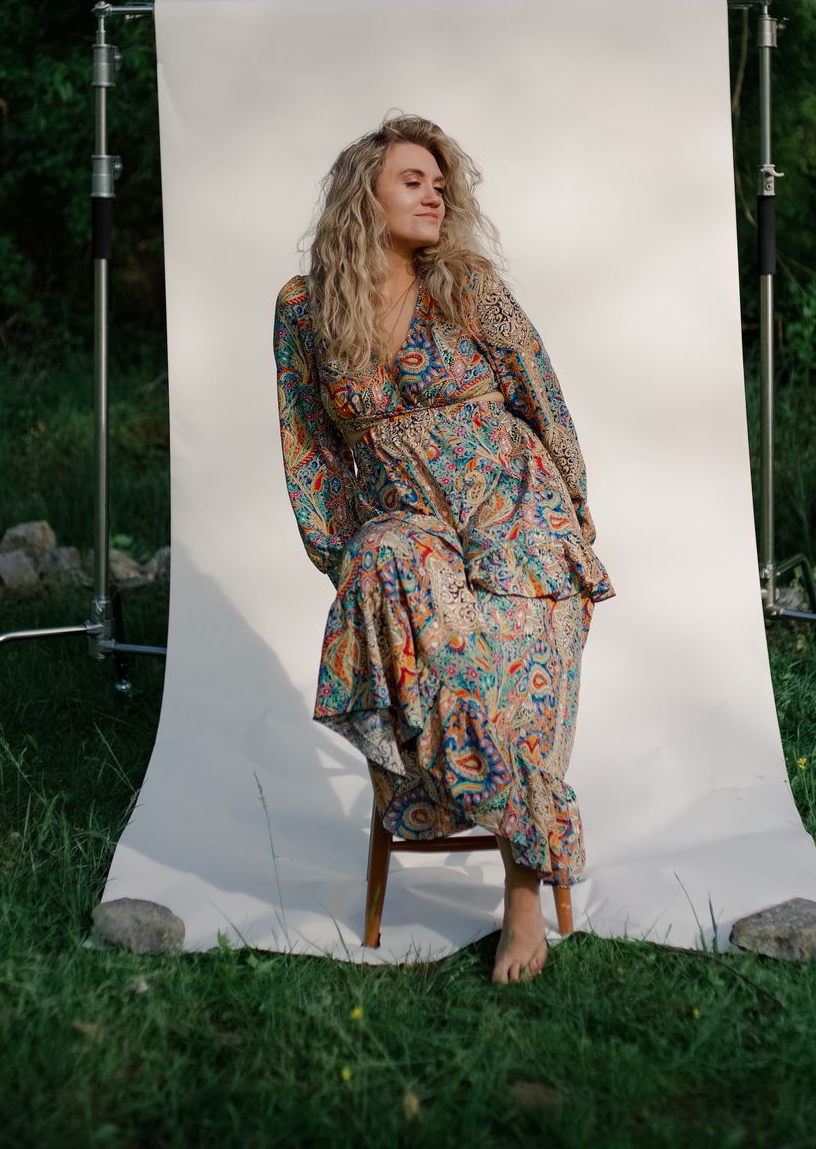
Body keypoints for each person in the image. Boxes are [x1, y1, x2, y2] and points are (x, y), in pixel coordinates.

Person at [273, 112, 616, 983]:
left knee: (505, 676)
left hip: (517, 518)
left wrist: (573, 519)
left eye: (439, 183)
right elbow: (309, 444)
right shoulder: (305, 309)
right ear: (365, 194)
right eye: (412, 180)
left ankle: (522, 899)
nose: (434, 194)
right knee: (384, 559)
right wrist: (340, 557)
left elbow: (544, 398)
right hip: (412, 525)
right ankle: (406, 758)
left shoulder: (468, 285)